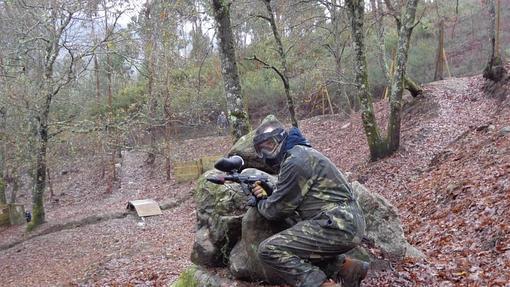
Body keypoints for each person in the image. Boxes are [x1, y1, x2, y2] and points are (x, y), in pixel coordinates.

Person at [251, 119, 368, 287]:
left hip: (338, 224)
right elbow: (295, 195)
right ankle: (349, 269)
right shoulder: (301, 153)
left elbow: (276, 211)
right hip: (345, 221)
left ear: (281, 139)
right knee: (297, 239)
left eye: (270, 145)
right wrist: (271, 192)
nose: (267, 153)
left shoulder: (295, 161)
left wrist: (260, 200)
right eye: (262, 150)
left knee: (270, 250)